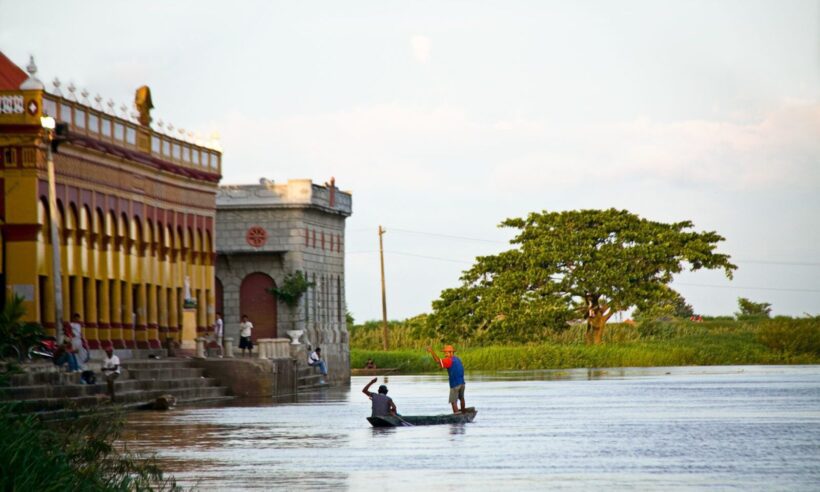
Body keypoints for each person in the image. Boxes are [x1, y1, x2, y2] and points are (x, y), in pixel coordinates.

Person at [427, 344, 466, 414]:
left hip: (455, 384)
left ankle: (457, 416)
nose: (445, 354)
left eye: (447, 353)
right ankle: (463, 413)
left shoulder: (449, 360)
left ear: (451, 353)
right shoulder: (457, 359)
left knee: (453, 401)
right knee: (461, 398)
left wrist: (431, 351)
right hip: (462, 383)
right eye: (445, 353)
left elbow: (437, 361)